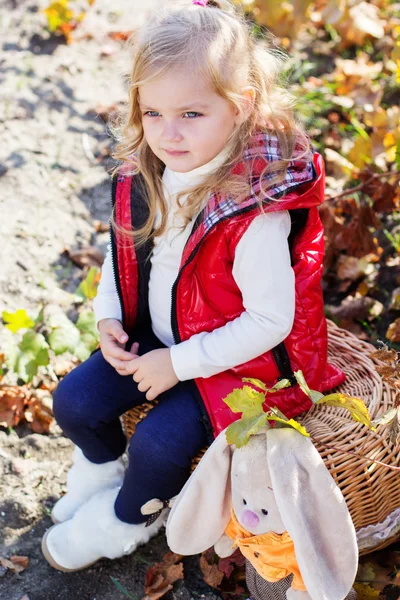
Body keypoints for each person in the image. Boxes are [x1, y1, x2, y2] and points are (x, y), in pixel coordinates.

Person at [41, 0, 345, 574]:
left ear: (239, 108)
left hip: (237, 366)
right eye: (152, 112)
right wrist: (109, 315)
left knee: (159, 444)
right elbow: (123, 252)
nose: (167, 133)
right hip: (159, 338)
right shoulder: (150, 173)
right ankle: (104, 471)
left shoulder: (254, 212)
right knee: (75, 402)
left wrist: (178, 364)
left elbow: (269, 322)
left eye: (191, 114)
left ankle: (130, 517)